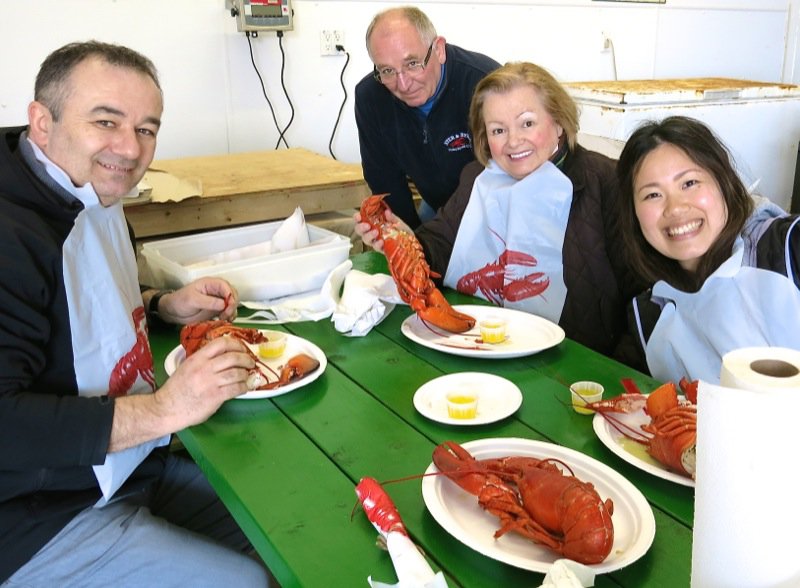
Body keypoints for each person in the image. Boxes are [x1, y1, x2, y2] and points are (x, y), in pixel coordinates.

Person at [0, 41, 271, 586]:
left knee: (283, 522)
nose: (129, 148)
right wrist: (166, 410)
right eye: (106, 121)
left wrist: (160, 306)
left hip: (127, 468)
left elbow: (76, 311)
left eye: (147, 128)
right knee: (245, 581)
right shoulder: (11, 234)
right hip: (34, 516)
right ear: (41, 121)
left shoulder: (86, 188)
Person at [356, 62, 637, 357]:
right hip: (481, 344)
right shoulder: (478, 177)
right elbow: (440, 245)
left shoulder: (607, 182)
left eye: (527, 123)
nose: (513, 141)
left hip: (574, 360)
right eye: (498, 130)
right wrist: (406, 240)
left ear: (558, 122)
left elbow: (641, 294)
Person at [615, 115, 800, 383]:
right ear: (634, 214)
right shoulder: (648, 318)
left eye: (689, 183)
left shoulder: (788, 247)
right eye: (653, 195)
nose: (675, 208)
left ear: (723, 182)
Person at [355, 5, 499, 229]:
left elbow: (512, 176)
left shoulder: (485, 84)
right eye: (387, 71)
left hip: (495, 207)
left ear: (439, 49)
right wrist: (410, 243)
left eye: (412, 64)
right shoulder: (370, 98)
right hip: (437, 205)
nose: (403, 85)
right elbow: (384, 180)